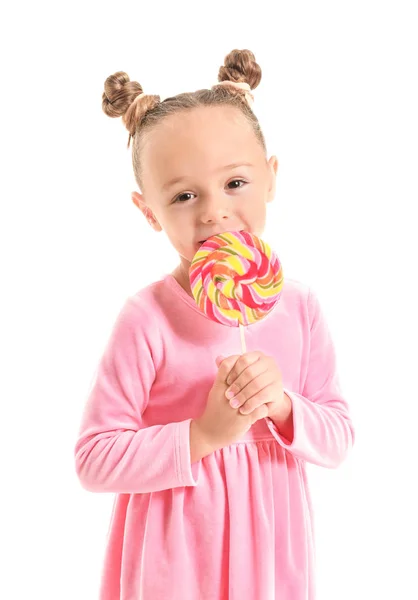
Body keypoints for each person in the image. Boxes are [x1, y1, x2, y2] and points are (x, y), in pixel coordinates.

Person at [74, 48, 355, 600]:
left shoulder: (298, 307)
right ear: (148, 209)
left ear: (270, 178)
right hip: (174, 555)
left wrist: (283, 407)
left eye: (235, 184)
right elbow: (94, 458)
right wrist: (203, 434)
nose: (213, 211)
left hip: (273, 553)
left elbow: (339, 437)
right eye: (183, 195)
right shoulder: (147, 318)